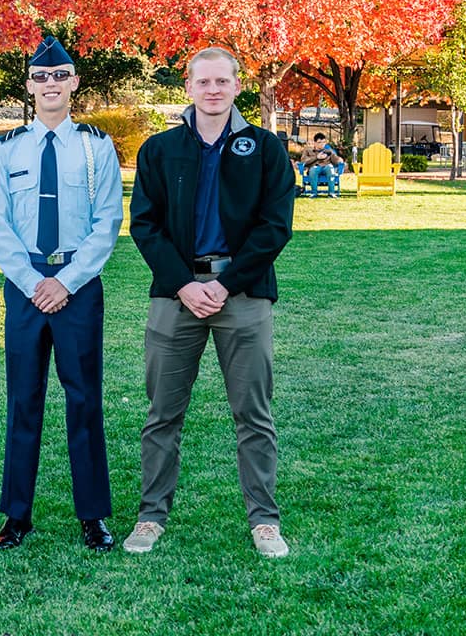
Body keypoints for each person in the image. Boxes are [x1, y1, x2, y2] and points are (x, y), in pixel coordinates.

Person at [124, 46, 295, 559]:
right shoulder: (160, 149)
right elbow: (145, 225)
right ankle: (151, 516)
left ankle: (264, 521)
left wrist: (227, 283)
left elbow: (274, 226)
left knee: (254, 415)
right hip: (177, 296)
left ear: (237, 86)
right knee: (162, 416)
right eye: (204, 82)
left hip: (242, 296)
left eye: (223, 81)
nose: (214, 90)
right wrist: (183, 284)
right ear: (189, 87)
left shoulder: (265, 148)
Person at [0, 35, 124, 552]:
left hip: (77, 286)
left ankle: (93, 517)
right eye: (41, 77)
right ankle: (16, 516)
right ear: (29, 85)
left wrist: (64, 282)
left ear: (74, 82)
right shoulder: (6, 149)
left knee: (84, 400)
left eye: (60, 75)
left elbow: (108, 221)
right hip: (24, 288)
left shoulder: (96, 147)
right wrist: (32, 282)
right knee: (24, 401)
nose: (50, 84)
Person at [300, 132, 342, 198]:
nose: (322, 144)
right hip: (314, 168)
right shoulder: (308, 151)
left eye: (324, 142)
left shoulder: (329, 151)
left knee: (330, 167)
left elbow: (336, 160)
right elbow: (303, 161)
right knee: (314, 169)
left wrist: (339, 160)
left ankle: (331, 193)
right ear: (315, 143)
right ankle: (314, 193)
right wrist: (317, 157)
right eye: (319, 142)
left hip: (326, 168)